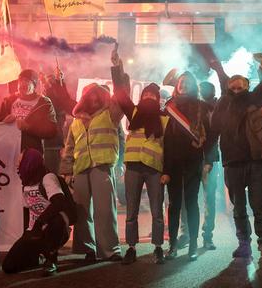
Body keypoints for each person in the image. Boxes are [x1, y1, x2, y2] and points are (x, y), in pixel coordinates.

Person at [211, 53, 262, 260]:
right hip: (232, 163)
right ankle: (244, 244)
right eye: (233, 87)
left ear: (247, 87)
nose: (236, 90)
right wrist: (219, 70)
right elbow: (213, 129)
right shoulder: (223, 103)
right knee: (238, 208)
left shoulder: (253, 100)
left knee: (259, 205)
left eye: (240, 87)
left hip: (254, 162)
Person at [60, 55, 124, 262]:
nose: (94, 99)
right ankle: (87, 249)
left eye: (98, 95)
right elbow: (69, 147)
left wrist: (117, 68)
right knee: (82, 211)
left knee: (104, 211)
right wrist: (67, 170)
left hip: (102, 166)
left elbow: (122, 96)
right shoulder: (76, 121)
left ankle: (110, 250)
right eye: (90, 96)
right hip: (81, 169)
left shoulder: (111, 114)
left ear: (105, 97)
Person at [110, 50, 168, 265]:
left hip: (155, 169)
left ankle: (158, 247)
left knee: (157, 210)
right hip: (134, 168)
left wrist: (167, 172)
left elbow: (168, 148)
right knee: (131, 210)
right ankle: (132, 248)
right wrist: (117, 67)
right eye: (146, 95)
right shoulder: (133, 113)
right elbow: (119, 93)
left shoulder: (165, 120)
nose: (149, 98)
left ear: (158, 99)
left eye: (153, 96)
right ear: (141, 97)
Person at [163, 71, 214, 261]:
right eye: (180, 82)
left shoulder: (201, 107)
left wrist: (207, 161)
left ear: (193, 85)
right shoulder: (170, 107)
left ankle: (193, 245)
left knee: (192, 204)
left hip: (193, 163)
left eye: (187, 82)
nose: (183, 85)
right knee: (174, 205)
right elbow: (166, 141)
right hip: (174, 164)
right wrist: (166, 170)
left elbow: (211, 137)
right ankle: (173, 246)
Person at [3, 149, 73, 276]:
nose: (18, 164)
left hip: (54, 228)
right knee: (9, 266)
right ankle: (38, 254)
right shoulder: (26, 184)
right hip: (35, 231)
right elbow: (29, 210)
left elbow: (59, 203)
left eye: (20, 161)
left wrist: (40, 222)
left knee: (57, 220)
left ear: (30, 162)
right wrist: (27, 235)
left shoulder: (48, 178)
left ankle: (51, 259)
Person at [0, 69, 58, 153]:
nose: (22, 84)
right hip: (8, 149)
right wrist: (3, 121)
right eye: (20, 80)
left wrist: (28, 127)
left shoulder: (44, 103)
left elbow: (52, 131)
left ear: (34, 85)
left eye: (27, 81)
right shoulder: (8, 101)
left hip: (30, 151)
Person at [199, 81, 222, 250]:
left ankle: (207, 235)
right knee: (196, 200)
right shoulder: (196, 106)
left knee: (209, 200)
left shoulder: (216, 108)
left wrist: (208, 160)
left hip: (209, 160)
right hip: (194, 159)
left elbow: (213, 138)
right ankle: (191, 234)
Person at [41, 68, 77, 174]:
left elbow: (61, 100)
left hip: (55, 145)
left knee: (53, 176)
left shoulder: (55, 102)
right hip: (43, 145)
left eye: (51, 81)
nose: (48, 84)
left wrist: (59, 83)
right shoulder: (41, 100)